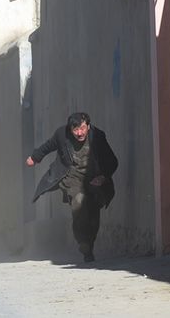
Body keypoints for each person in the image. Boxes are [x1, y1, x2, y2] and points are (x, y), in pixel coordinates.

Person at [25, 112, 118, 262]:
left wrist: (103, 177)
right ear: (70, 129)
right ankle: (82, 241)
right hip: (71, 177)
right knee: (79, 201)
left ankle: (89, 246)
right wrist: (35, 157)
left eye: (82, 128)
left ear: (88, 126)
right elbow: (49, 145)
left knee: (93, 211)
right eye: (75, 130)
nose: (79, 133)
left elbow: (112, 161)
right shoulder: (62, 134)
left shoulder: (98, 137)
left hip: (94, 179)